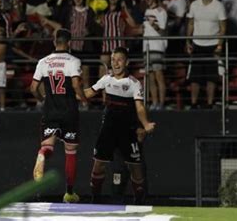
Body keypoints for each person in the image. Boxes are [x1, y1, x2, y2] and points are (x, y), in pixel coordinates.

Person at [83, 46, 155, 204]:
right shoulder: (106, 79)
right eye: (113, 60)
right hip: (107, 131)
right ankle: (95, 201)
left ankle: (139, 204)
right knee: (98, 167)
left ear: (127, 62)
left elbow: (140, 107)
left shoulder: (134, 83)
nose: (115, 63)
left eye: (119, 60)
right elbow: (88, 93)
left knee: (136, 170)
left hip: (128, 132)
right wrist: (68, 93)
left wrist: (146, 124)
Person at [30, 28, 88, 203]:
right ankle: (69, 193)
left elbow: (33, 88)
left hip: (51, 109)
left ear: (54, 42)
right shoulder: (74, 61)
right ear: (69, 42)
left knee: (48, 146)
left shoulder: (43, 62)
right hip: (69, 110)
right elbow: (76, 84)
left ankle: (41, 155)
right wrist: (84, 99)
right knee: (70, 152)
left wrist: (42, 99)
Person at [186, 0, 227, 109]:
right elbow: (191, 23)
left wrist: (220, 45)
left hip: (213, 45)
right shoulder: (194, 5)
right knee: (195, 77)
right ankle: (193, 103)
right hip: (197, 44)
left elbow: (223, 27)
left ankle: (209, 104)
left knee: (211, 77)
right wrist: (188, 41)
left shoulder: (218, 5)